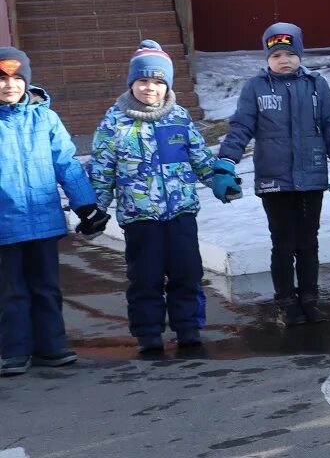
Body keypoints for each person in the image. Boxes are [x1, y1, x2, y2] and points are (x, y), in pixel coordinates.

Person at [89, 42, 238, 353]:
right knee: (146, 278)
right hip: (140, 217)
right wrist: (95, 208)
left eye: (158, 82)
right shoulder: (114, 123)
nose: (150, 88)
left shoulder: (179, 119)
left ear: (167, 85)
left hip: (180, 213)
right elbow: (102, 169)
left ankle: (188, 329)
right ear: (132, 83)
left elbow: (200, 159)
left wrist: (219, 182)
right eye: (143, 81)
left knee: (187, 273)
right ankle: (149, 334)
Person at [217, 23, 330, 325]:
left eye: (290, 54)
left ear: (300, 54)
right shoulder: (255, 87)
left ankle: (310, 298)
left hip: (311, 177)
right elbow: (241, 126)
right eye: (277, 54)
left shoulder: (316, 85)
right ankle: (285, 302)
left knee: (308, 241)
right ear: (267, 57)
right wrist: (226, 163)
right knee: (282, 242)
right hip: (274, 179)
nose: (284, 60)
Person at [0, 47, 106, 375]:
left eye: (17, 78)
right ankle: (14, 351)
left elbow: (66, 163)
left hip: (44, 221)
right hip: (4, 225)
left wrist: (86, 205)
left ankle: (51, 346)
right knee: (11, 290)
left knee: (47, 287)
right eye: (2, 79)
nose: (10, 85)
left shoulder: (45, 118)